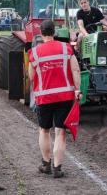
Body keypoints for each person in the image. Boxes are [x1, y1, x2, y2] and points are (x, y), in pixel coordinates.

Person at [28, 20, 81, 178]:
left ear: (41, 33)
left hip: (44, 98)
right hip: (64, 97)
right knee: (60, 132)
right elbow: (76, 69)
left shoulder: (35, 52)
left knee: (44, 130)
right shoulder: (66, 48)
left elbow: (31, 76)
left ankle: (46, 165)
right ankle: (57, 168)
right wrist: (77, 89)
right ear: (54, 32)